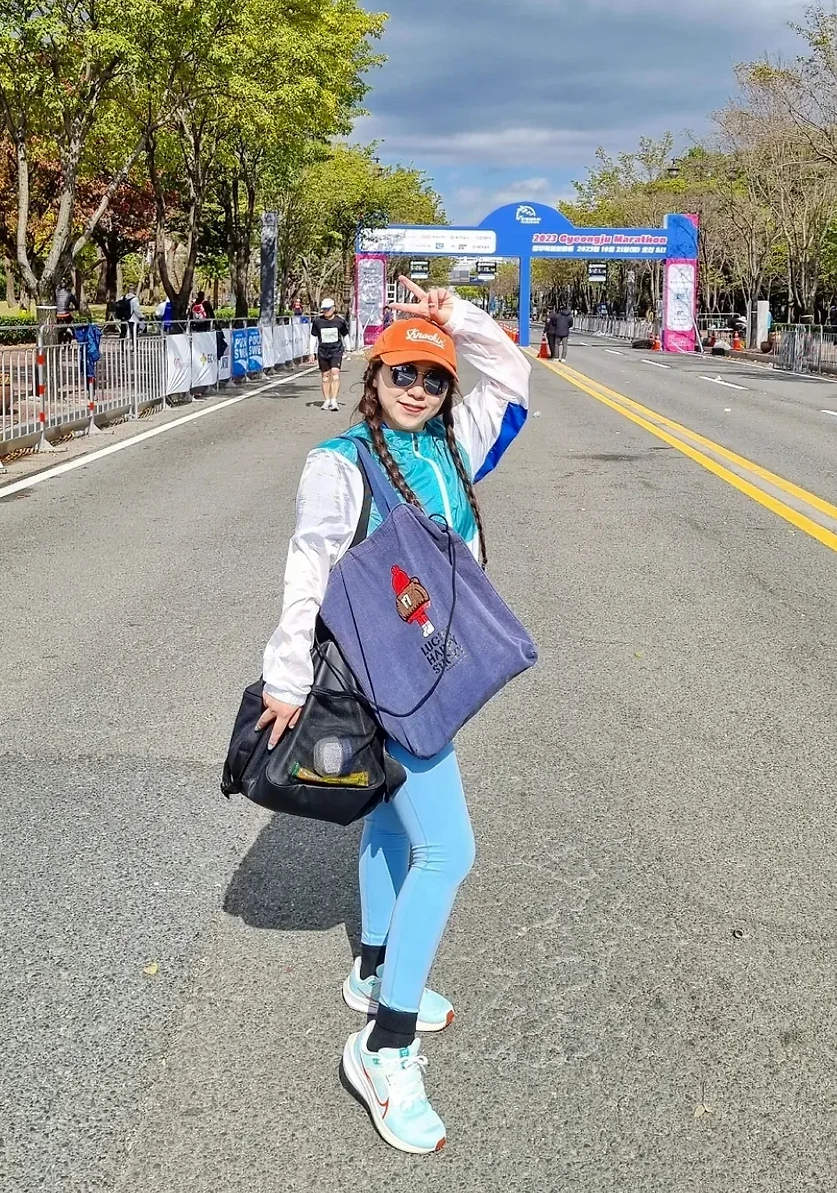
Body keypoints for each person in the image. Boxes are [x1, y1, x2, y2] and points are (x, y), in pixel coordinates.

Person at [260, 278, 530, 1155]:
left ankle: (373, 968)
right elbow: (307, 569)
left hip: (429, 669)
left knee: (387, 821)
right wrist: (283, 676)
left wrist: (456, 319)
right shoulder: (340, 461)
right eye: (403, 372)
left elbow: (513, 374)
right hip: (383, 681)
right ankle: (384, 1046)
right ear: (373, 375)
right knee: (448, 849)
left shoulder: (454, 445)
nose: (418, 388)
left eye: (435, 376)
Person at [311, 296, 349, 412]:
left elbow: (345, 335)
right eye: (324, 309)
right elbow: (313, 337)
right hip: (323, 351)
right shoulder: (318, 321)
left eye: (328, 309)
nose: (326, 311)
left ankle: (334, 400)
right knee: (325, 376)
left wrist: (348, 349)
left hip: (336, 350)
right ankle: (327, 400)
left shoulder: (340, 321)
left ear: (333, 309)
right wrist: (311, 352)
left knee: (335, 373)